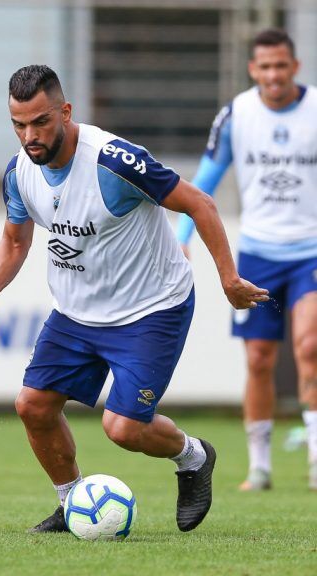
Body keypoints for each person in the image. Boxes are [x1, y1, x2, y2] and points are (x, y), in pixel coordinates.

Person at [0, 65, 269, 533]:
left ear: (65, 112)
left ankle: (193, 456)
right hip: (76, 312)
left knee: (123, 429)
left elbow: (200, 203)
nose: (30, 135)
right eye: (19, 125)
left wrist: (228, 278)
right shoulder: (20, 171)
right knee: (33, 406)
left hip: (151, 308)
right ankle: (69, 504)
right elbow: (15, 240)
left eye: (41, 121)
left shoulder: (115, 161)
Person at [177, 29, 317, 491]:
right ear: (253, 70)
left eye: (282, 66)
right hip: (258, 251)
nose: (274, 75)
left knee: (309, 347)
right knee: (258, 359)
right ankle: (260, 466)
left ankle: (316, 460)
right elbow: (206, 180)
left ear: (294, 67)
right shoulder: (237, 114)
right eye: (265, 67)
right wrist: (183, 237)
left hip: (310, 251)